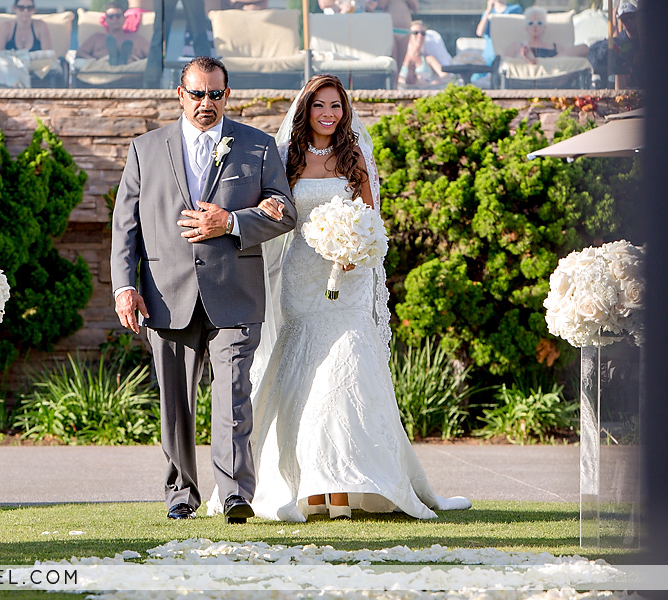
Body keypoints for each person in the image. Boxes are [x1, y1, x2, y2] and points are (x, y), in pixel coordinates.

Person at [207, 74, 472, 521]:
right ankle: (308, 486)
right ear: (305, 110)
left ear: (344, 112)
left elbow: (371, 220)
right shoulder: (286, 159)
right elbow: (273, 212)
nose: (328, 114)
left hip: (346, 279)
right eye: (319, 106)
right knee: (305, 377)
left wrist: (357, 249)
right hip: (301, 280)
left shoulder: (355, 160)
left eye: (335, 106)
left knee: (346, 369)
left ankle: (354, 485)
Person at [111, 56, 297, 524]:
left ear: (227, 96)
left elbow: (284, 210)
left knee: (233, 393)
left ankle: (235, 493)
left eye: (215, 94)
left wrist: (231, 221)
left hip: (234, 292)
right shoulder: (144, 149)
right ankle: (181, 494)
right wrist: (123, 287)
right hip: (164, 295)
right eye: (197, 93)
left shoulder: (256, 147)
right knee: (175, 402)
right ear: (180, 94)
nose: (206, 103)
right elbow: (124, 228)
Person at [505, 6, 589, 65]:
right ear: (526, 28)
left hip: (554, 73)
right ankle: (536, 63)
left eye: (539, 23)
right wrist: (522, 56)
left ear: (544, 27)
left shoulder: (556, 46)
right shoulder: (517, 46)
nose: (535, 26)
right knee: (518, 57)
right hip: (529, 75)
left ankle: (540, 63)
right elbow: (506, 64)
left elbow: (564, 64)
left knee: (584, 47)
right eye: (531, 23)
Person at [588, 1, 642, 89]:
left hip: (643, 74)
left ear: (637, 17)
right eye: (624, 19)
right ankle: (619, 99)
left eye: (631, 17)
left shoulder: (644, 35)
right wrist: (614, 22)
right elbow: (616, 43)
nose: (628, 21)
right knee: (619, 69)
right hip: (627, 74)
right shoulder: (622, 37)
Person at [77, 2, 149, 65]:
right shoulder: (97, 37)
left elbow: (152, 55)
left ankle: (123, 59)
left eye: (118, 16)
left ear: (124, 19)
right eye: (111, 16)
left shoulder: (136, 38)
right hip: (103, 68)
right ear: (106, 20)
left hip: (131, 69)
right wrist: (94, 61)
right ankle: (113, 59)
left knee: (136, 62)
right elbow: (80, 53)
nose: (114, 19)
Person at [398, 21, 455, 90]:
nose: (420, 36)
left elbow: (446, 76)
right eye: (415, 33)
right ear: (409, 35)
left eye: (423, 33)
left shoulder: (429, 59)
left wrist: (432, 83)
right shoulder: (400, 57)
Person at [476, 0, 523, 66]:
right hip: (489, 58)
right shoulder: (487, 13)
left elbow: (518, 32)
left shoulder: (515, 9)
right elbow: (480, 32)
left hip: (507, 56)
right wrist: (488, 10)